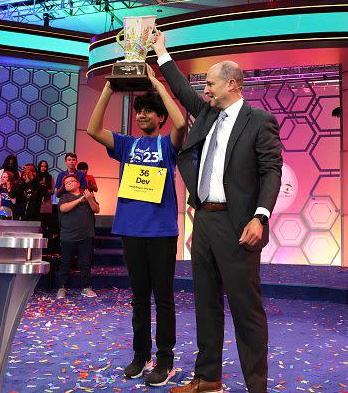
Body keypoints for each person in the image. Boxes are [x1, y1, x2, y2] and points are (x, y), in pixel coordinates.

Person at [153, 32, 282, 393]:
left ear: (232, 84)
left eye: (210, 83)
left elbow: (272, 170)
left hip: (238, 225)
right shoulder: (208, 114)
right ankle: (207, 379)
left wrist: (261, 215)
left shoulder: (259, 121)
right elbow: (181, 90)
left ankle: (257, 386)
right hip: (205, 221)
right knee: (205, 305)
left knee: (246, 311)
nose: (205, 90)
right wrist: (161, 53)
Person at [86, 64, 186, 386]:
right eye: (139, 112)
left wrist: (157, 85)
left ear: (159, 118)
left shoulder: (167, 145)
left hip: (161, 232)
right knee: (139, 298)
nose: (142, 116)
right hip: (131, 230)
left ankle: (165, 360)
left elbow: (182, 122)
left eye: (148, 112)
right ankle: (141, 355)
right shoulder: (128, 145)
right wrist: (108, 88)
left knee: (164, 298)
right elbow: (92, 130)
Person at [56, 174, 100, 299]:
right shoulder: (64, 197)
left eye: (72, 181)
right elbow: (63, 209)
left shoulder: (87, 194)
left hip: (86, 235)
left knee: (85, 263)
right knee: (66, 263)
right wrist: (80, 200)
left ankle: (86, 288)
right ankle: (62, 287)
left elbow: (97, 210)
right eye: (66, 183)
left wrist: (90, 199)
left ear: (78, 183)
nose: (69, 183)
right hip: (68, 236)